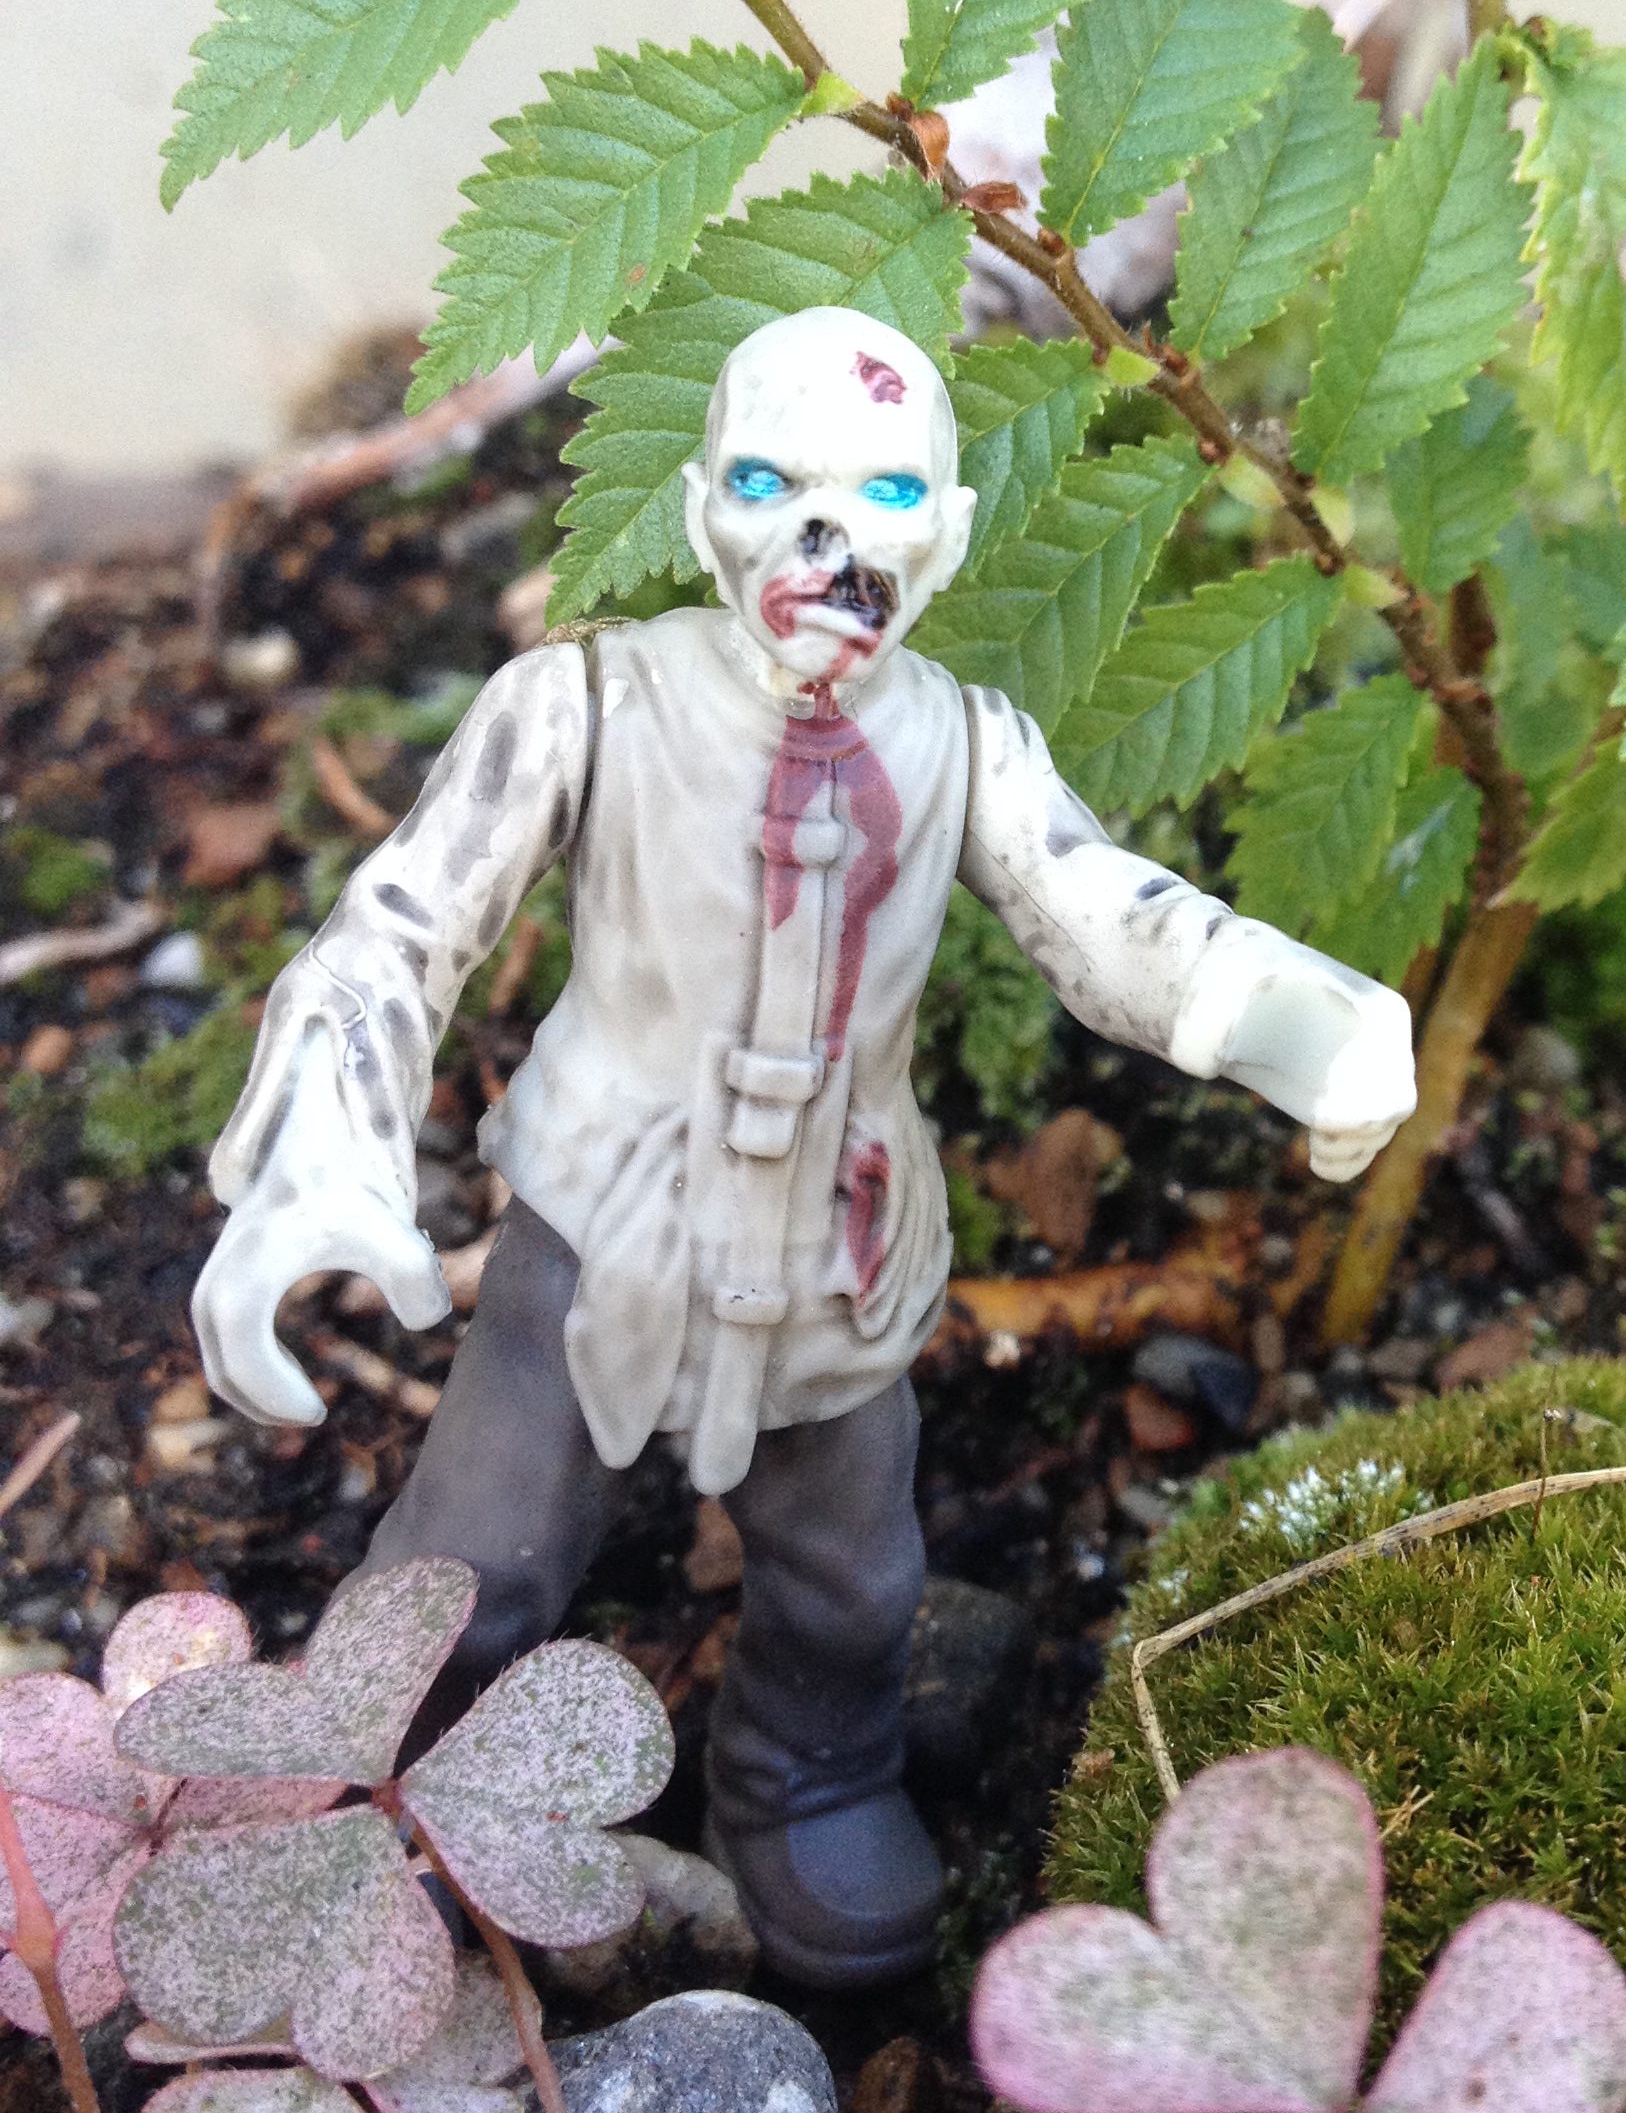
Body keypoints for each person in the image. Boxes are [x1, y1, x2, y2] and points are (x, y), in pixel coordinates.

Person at [188, 307, 1417, 1989]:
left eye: (885, 493)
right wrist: (324, 1147)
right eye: (772, 485)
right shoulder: (585, 702)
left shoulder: (966, 742)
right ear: (703, 511)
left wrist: (1311, 1026)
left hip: (843, 1254)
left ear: (950, 532)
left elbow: (1109, 920)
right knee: (478, 1561)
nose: (828, 541)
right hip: (600, 1232)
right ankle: (361, 1798)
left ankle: (803, 1776)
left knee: (850, 1581)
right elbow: (401, 925)